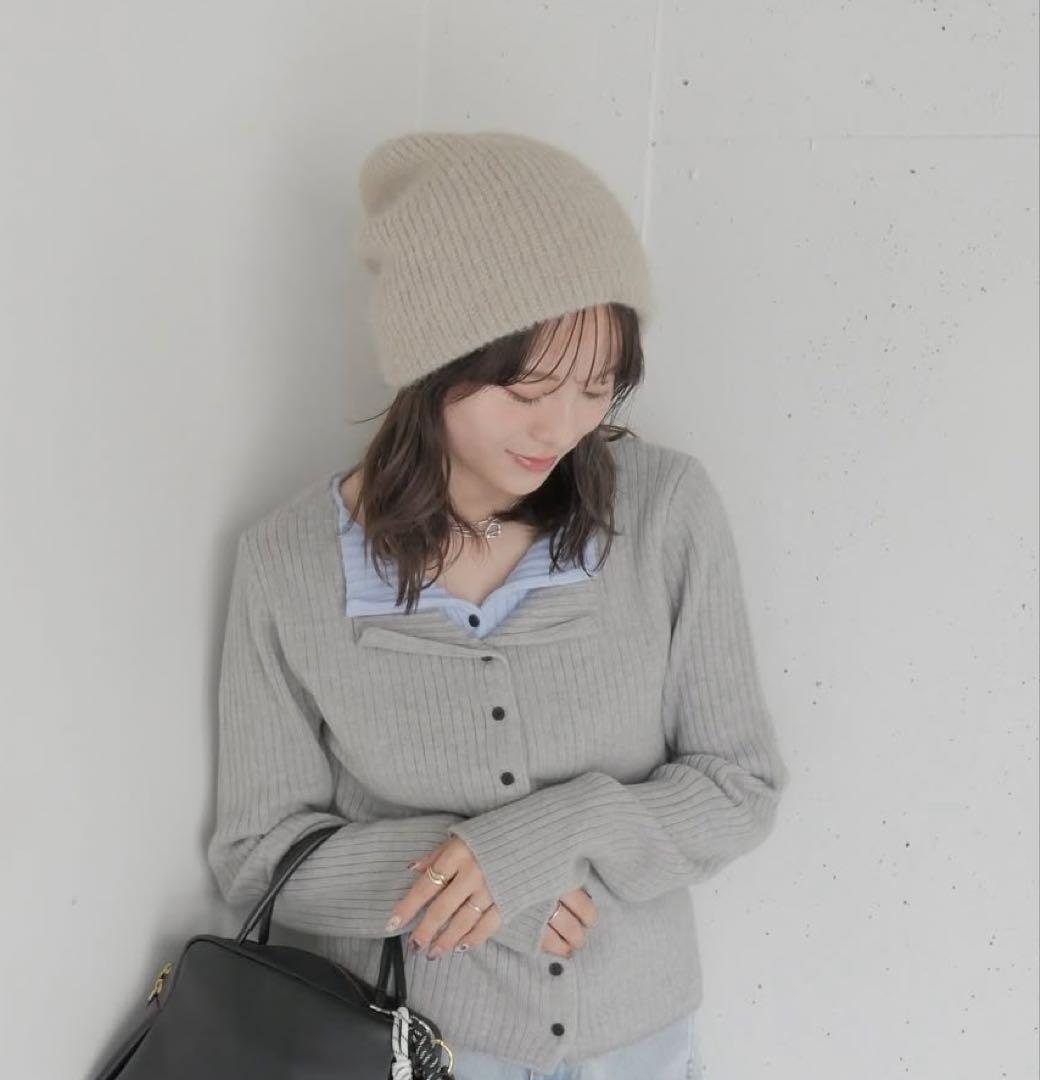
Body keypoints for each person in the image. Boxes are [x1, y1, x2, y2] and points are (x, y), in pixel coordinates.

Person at [205, 130, 789, 1080]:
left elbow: (739, 785)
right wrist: (463, 873)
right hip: (404, 1051)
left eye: (597, 386)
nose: (564, 427)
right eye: (528, 389)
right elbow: (257, 855)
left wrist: (549, 838)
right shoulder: (288, 564)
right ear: (434, 361)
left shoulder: (667, 511)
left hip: (637, 1048)